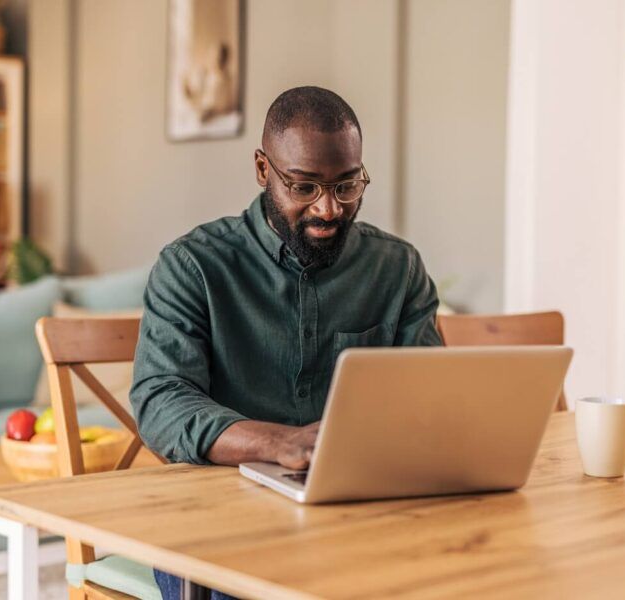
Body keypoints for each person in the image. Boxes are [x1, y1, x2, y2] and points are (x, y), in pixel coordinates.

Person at [131, 86, 442, 600]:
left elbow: (431, 392)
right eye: (304, 188)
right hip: (217, 521)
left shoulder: (397, 267)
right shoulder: (194, 267)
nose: (329, 209)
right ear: (262, 170)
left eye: (347, 186)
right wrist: (279, 443)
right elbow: (161, 401)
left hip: (359, 510)